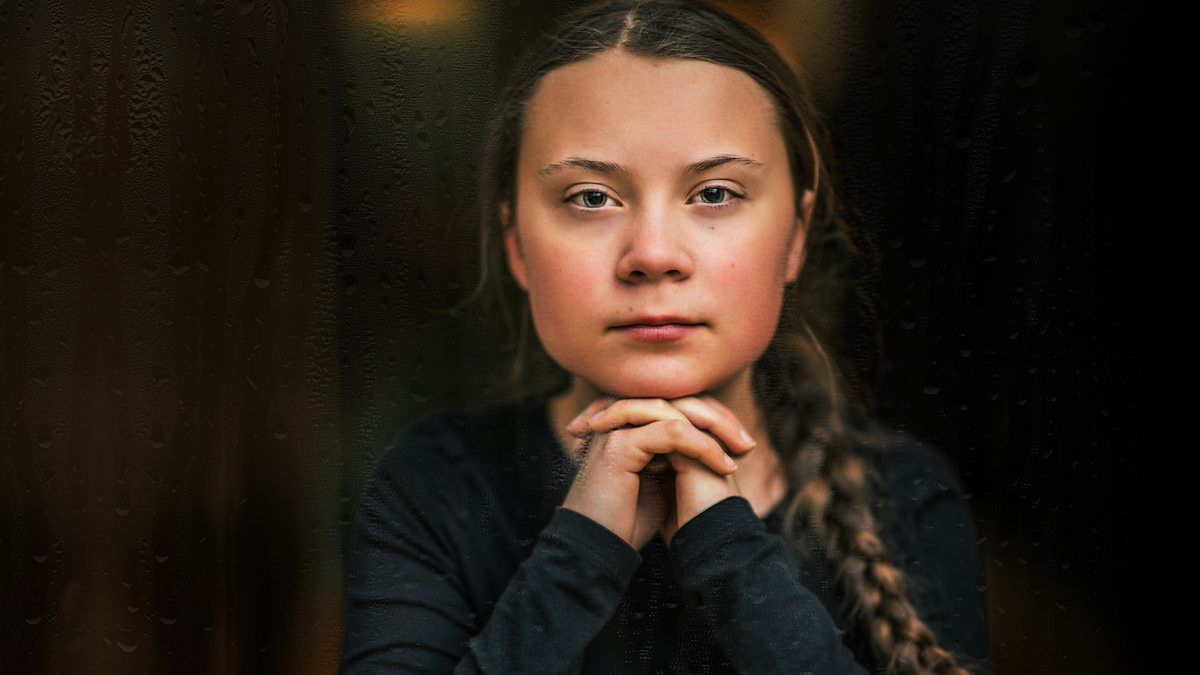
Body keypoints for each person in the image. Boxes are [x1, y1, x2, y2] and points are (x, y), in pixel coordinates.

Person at [340, 1, 989, 673]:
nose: (652, 253)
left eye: (714, 193)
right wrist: (584, 546)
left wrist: (729, 547)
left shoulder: (906, 495)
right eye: (591, 197)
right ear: (515, 245)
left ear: (794, 237)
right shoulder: (438, 485)